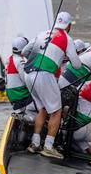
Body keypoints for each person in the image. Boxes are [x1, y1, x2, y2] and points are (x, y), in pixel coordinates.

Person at [22, 11, 82, 159]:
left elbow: (24, 51)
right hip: (44, 74)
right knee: (56, 111)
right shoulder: (66, 38)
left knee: (43, 108)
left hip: (28, 73)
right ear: (68, 25)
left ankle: (35, 144)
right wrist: (64, 55)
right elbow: (77, 65)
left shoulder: (42, 33)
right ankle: (48, 147)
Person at [5, 36, 37, 120]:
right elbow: (28, 81)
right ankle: (26, 117)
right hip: (22, 96)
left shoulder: (10, 59)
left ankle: (23, 115)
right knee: (46, 108)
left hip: (13, 98)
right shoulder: (20, 61)